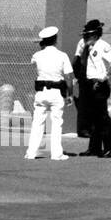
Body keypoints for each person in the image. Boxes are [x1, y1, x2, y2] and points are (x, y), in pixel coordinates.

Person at [24, 26, 72, 161]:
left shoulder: (37, 55)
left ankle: (31, 152)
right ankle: (56, 154)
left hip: (42, 92)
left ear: (43, 41)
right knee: (56, 123)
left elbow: (34, 65)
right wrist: (70, 95)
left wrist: (41, 48)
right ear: (56, 39)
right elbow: (69, 77)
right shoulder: (63, 55)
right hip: (57, 92)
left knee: (38, 122)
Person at [78, 19, 111, 158]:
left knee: (102, 117)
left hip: (99, 84)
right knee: (94, 118)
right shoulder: (87, 46)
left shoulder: (102, 45)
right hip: (89, 83)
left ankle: (110, 148)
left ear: (95, 35)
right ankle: (94, 148)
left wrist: (105, 76)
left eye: (88, 36)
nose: (85, 38)